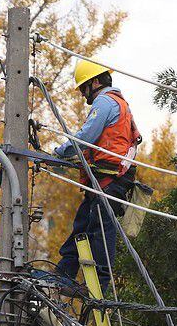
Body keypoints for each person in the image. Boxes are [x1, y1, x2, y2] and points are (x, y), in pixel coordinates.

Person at [52, 58, 141, 292]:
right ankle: (65, 272)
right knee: (83, 224)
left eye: (83, 88)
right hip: (104, 179)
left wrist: (60, 152)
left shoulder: (104, 102)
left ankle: (100, 283)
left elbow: (85, 137)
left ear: (95, 82)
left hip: (110, 178)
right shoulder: (119, 104)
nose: (83, 94)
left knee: (100, 228)